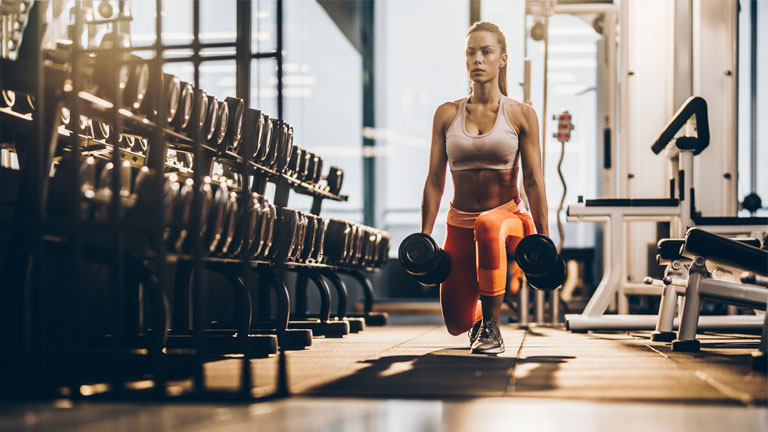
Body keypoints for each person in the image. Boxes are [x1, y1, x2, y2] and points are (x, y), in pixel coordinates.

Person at [420, 21, 549, 354]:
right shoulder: (446, 114)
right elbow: (435, 179)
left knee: (488, 224)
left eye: (486, 52)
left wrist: (544, 238)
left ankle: (492, 327)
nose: (477, 59)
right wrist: (424, 236)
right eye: (470, 53)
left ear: (502, 59)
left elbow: (533, 180)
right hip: (459, 222)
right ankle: (479, 318)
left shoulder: (521, 115)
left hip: (508, 219)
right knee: (456, 323)